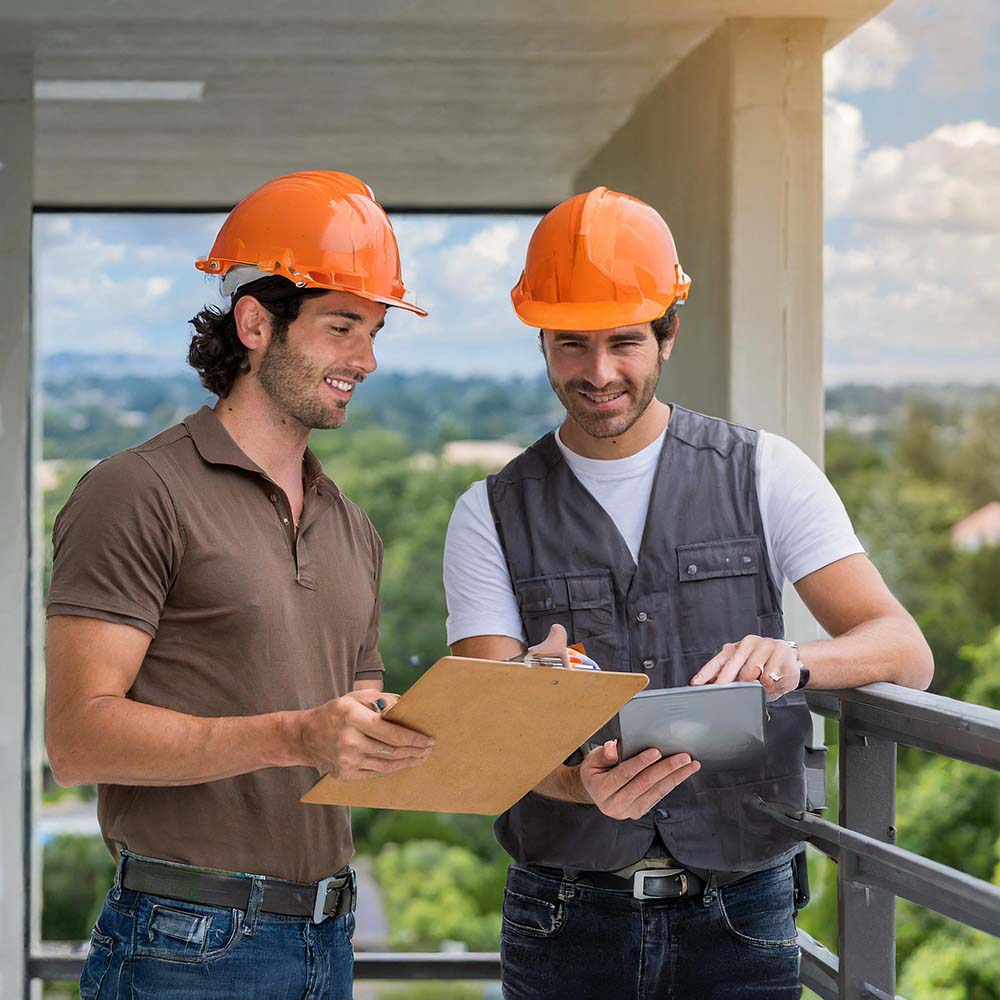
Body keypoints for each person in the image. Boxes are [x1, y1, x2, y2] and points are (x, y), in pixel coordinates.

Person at [443, 186, 933, 999]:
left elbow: (902, 650)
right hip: (564, 919)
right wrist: (573, 781)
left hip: (743, 911)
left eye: (625, 342)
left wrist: (794, 660)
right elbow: (488, 734)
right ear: (541, 340)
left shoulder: (766, 471)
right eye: (571, 345)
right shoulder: (488, 511)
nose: (598, 374)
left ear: (668, 333)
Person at [45, 171, 435, 1000]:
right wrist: (296, 735)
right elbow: (77, 742)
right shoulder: (136, 491)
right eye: (341, 327)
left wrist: (503, 706)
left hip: (327, 937)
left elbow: (351, 728)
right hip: (184, 944)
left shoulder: (351, 524)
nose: (364, 360)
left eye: (373, 333)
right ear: (257, 322)